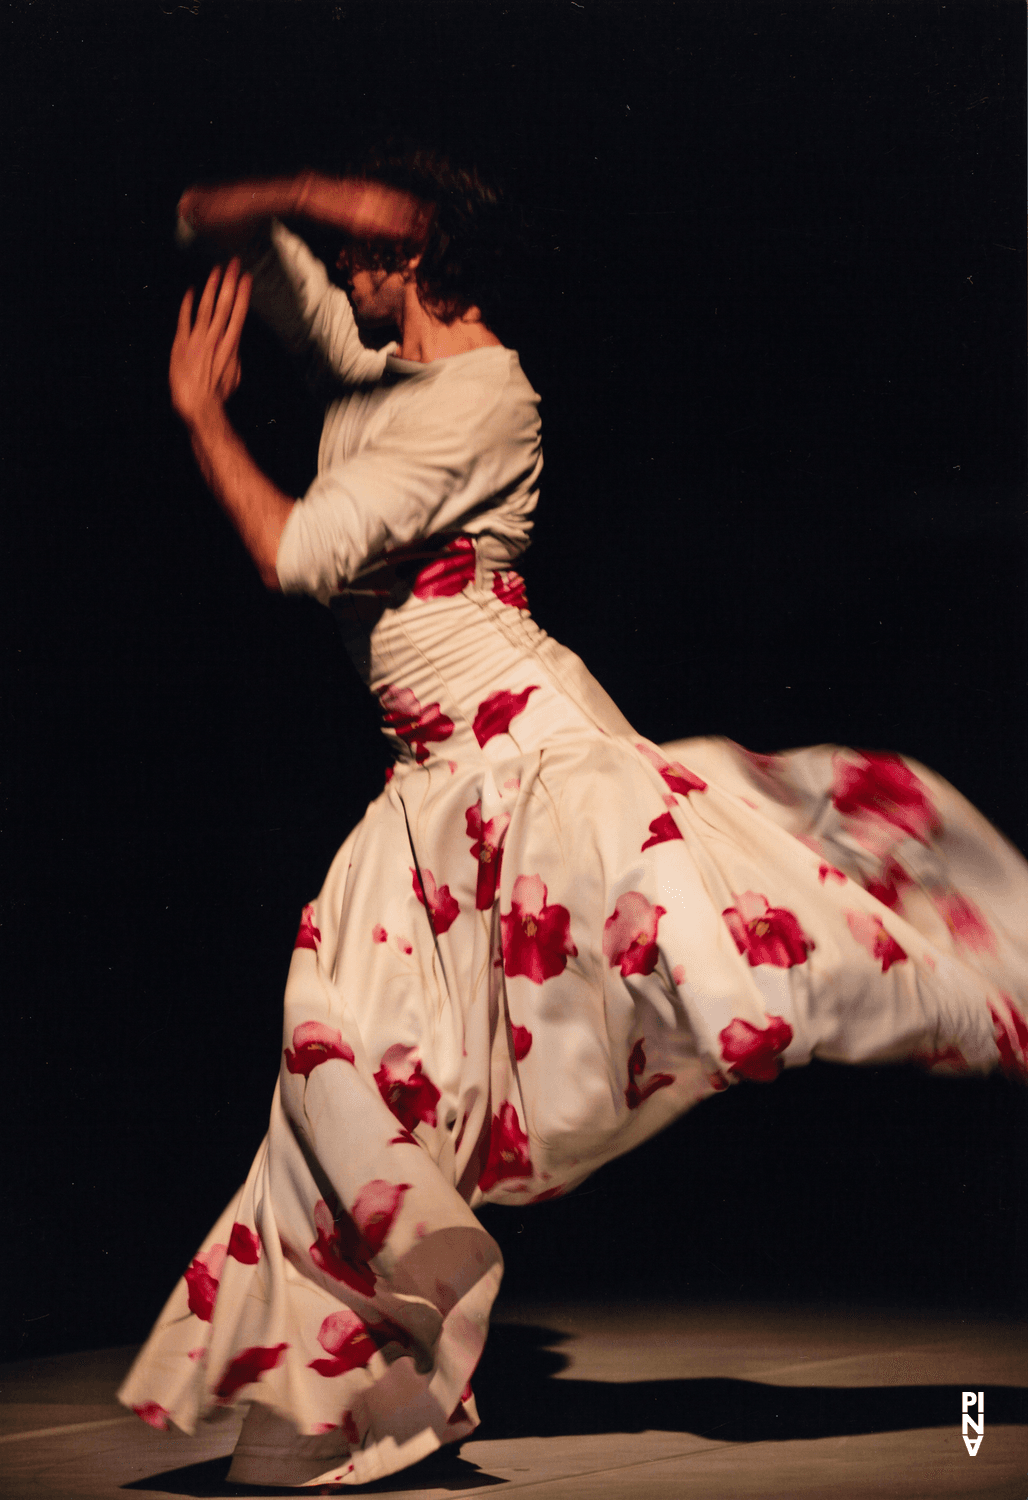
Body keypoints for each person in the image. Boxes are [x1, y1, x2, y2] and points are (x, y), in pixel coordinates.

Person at [118, 148, 1028, 1489]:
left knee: (761, 956)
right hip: (429, 790)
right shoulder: (388, 366)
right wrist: (291, 202)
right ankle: (358, 1395)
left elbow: (294, 554)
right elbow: (250, 244)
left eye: (367, 255)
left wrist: (201, 418)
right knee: (341, 1056)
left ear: (415, 260)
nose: (344, 283)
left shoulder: (481, 396)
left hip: (527, 758)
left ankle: (1006, 998)